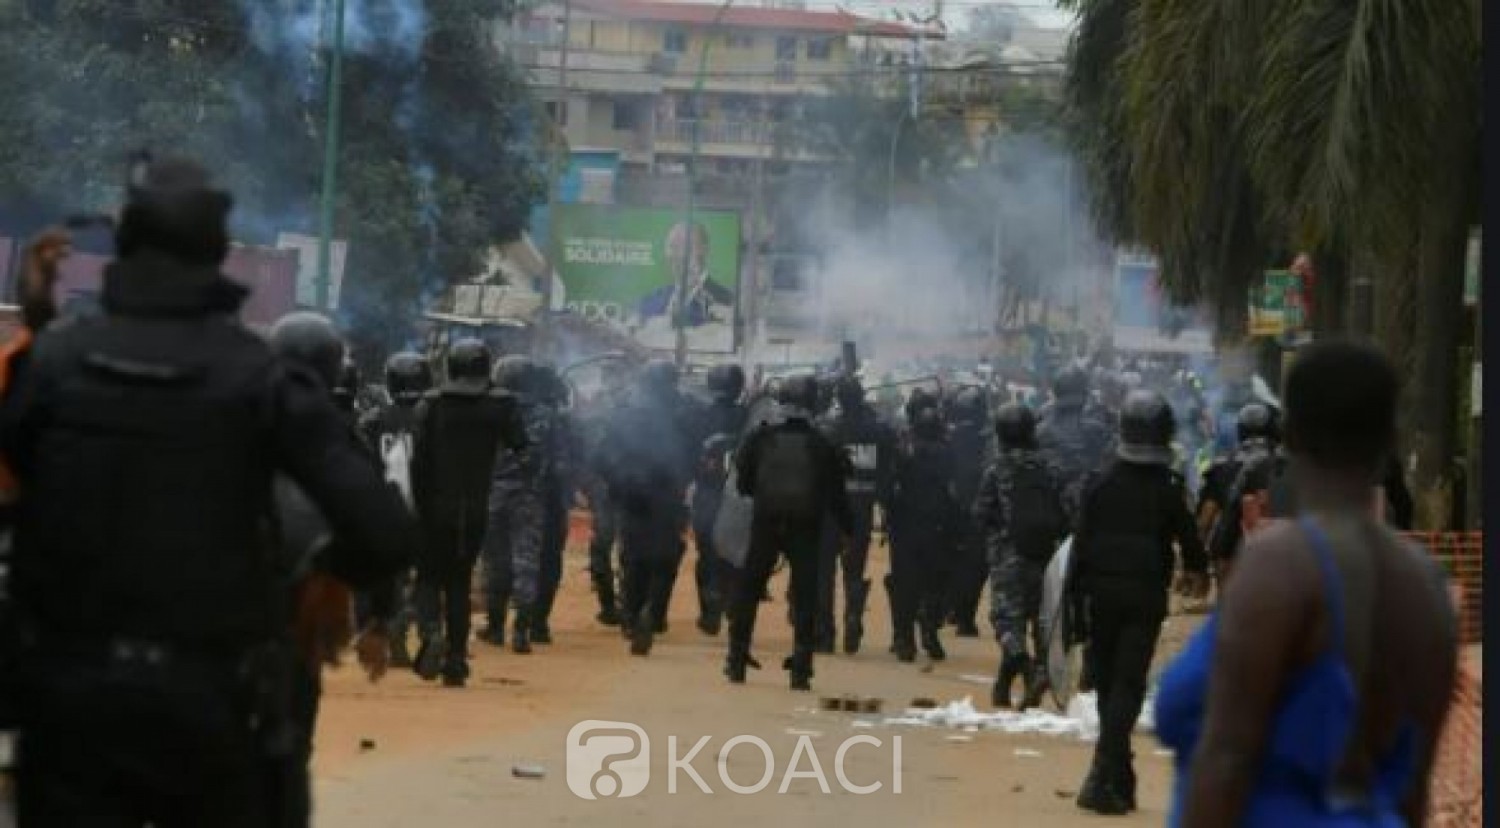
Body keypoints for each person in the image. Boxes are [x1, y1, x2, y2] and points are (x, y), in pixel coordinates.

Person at [0, 156, 416, 825]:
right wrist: (317, 577)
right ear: (219, 252)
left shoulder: (51, 364)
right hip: (212, 708)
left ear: (124, 246)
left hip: (72, 708)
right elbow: (385, 533)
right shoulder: (261, 378)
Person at [1155, 341, 1457, 827]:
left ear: (1291, 433)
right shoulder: (1429, 589)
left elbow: (1226, 756)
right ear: (1390, 438)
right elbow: (1413, 790)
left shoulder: (1278, 565)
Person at [266, 311, 403, 828]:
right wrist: (379, 618)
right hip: (302, 612)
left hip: (219, 616)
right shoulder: (341, 441)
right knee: (289, 743)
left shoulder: (226, 423)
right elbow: (378, 532)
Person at [1069, 389, 1209, 815]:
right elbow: (1191, 543)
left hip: (1100, 597)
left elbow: (1078, 546)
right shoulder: (1168, 489)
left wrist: (1075, 605)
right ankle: (1103, 775)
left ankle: (1115, 775)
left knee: (1109, 683)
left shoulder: (1098, 483)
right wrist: (1197, 572)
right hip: (1144, 598)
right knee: (1127, 685)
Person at [726, 375, 851, 690]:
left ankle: (736, 659)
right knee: (806, 594)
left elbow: (742, 484)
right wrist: (848, 528)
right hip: (806, 526)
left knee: (749, 589)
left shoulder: (760, 436)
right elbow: (837, 493)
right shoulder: (822, 442)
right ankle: (801, 668)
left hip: (766, 521)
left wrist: (765, 498)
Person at [410, 339, 522, 686]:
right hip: (474, 509)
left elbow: (417, 461)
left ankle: (431, 632)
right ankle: (456, 659)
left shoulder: (431, 404)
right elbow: (520, 445)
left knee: (428, 577)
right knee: (459, 581)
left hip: (433, 507)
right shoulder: (500, 406)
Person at [599, 360, 697, 655]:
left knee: (633, 556)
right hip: (669, 494)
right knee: (666, 556)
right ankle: (654, 614)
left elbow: (603, 454)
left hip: (631, 492)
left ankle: (631, 617)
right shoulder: (685, 413)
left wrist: (616, 483)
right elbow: (695, 455)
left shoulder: (625, 412)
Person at [976, 402, 1067, 709]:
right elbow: (1065, 514)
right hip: (1045, 557)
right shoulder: (1050, 470)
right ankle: (1017, 681)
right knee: (1040, 621)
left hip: (1008, 558)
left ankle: (1028, 668)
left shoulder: (996, 471)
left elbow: (981, 513)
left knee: (1006, 623)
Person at [814, 375, 896, 654]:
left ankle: (825, 634)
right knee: (854, 569)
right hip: (861, 508)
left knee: (824, 572)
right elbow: (888, 471)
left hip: (829, 510)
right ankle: (853, 618)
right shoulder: (879, 430)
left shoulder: (825, 428)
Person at [360, 350, 432, 667]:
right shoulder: (432, 416)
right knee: (428, 576)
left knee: (393, 576)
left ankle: (395, 625)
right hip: (426, 508)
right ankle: (422, 625)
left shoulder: (374, 419)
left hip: (387, 508)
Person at [888, 399, 959, 663]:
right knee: (934, 583)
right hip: (937, 527)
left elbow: (890, 485)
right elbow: (954, 492)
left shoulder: (904, 449)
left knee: (904, 584)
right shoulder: (947, 453)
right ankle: (929, 631)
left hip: (905, 526)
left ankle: (904, 638)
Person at [691, 363, 749, 636]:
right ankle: (730, 602)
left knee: (706, 553)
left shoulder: (698, 415)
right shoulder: (747, 416)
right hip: (739, 498)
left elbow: (687, 453)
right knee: (735, 555)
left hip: (708, 494)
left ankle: (709, 610)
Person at [1200, 402, 1281, 584]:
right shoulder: (1286, 466)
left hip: (1231, 556)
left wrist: (1198, 562)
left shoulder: (1221, 468)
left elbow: (1205, 520)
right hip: (1282, 556)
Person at [1038, 365, 1116, 516]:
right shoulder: (1103, 417)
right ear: (1085, 390)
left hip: (1052, 506)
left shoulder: (1041, 418)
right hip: (1094, 504)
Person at [944, 386, 991, 638]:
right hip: (978, 510)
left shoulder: (949, 437)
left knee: (954, 559)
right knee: (975, 565)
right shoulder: (990, 439)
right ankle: (963, 617)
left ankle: (952, 609)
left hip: (954, 509)